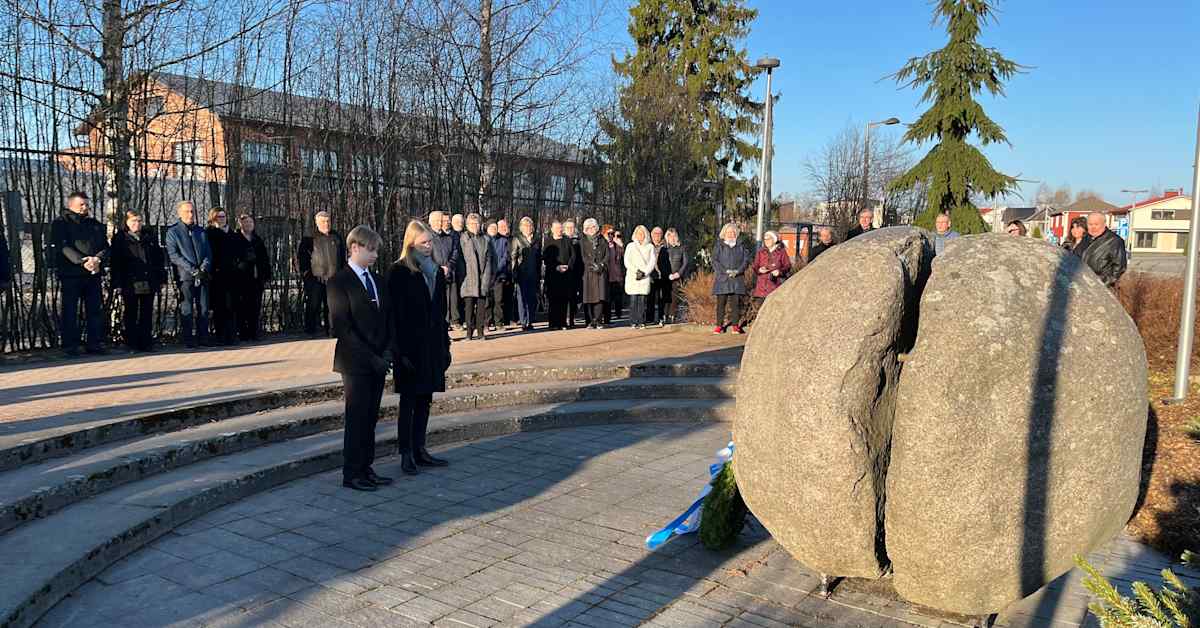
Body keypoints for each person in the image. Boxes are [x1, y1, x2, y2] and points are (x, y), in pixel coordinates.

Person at [327, 225, 392, 492]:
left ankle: (367, 467)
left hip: (378, 360)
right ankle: (351, 472)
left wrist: (387, 351)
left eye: (377, 249)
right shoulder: (338, 281)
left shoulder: (376, 280)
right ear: (355, 248)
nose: (375, 254)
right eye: (371, 249)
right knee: (356, 418)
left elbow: (387, 318)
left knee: (371, 418)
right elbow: (343, 327)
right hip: (355, 362)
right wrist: (370, 357)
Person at [386, 220, 452, 476]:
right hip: (409, 348)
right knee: (408, 401)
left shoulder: (436, 271)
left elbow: (441, 312)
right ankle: (405, 453)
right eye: (424, 242)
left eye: (430, 241)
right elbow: (394, 315)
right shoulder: (399, 271)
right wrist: (398, 351)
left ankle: (420, 448)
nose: (428, 246)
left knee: (425, 399)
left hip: (432, 346)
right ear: (411, 242)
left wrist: (445, 346)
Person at [50, 191, 110, 356]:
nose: (85, 207)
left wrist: (98, 259)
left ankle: (94, 343)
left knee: (94, 310)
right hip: (71, 274)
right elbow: (63, 247)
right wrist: (82, 261)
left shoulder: (94, 224)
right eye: (81, 204)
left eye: (86, 204)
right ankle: (70, 346)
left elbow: (104, 246)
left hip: (93, 273)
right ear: (71, 205)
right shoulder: (60, 223)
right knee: (70, 310)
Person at [110, 211, 166, 352]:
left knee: (147, 312)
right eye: (133, 221)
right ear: (127, 222)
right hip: (130, 281)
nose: (137, 224)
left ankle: (146, 342)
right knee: (131, 312)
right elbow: (116, 262)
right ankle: (132, 343)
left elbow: (159, 259)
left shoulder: (149, 236)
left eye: (139, 221)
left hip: (148, 279)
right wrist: (116, 282)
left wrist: (161, 277)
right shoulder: (120, 238)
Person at [166, 200, 213, 349]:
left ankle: (203, 338)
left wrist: (203, 268)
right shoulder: (173, 232)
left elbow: (208, 252)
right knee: (187, 308)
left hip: (202, 276)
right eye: (187, 211)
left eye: (192, 211)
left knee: (204, 308)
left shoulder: (201, 231)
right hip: (185, 277)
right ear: (180, 213)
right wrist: (192, 269)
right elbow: (174, 255)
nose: (190, 214)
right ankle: (188, 340)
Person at [297, 210, 346, 337]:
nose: (326, 223)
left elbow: (342, 257)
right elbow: (303, 259)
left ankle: (332, 331)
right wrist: (307, 274)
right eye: (323, 221)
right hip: (316, 278)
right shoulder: (309, 238)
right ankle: (310, 331)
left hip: (334, 277)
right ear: (317, 223)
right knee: (313, 305)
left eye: (328, 221)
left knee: (332, 306)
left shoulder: (336, 237)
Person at [231, 214, 273, 342]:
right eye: (246, 222)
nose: (249, 225)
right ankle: (243, 333)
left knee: (255, 306)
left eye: (251, 222)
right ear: (240, 224)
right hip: (241, 278)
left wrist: (266, 274)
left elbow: (264, 259)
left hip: (256, 278)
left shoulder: (257, 239)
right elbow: (232, 258)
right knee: (242, 307)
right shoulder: (235, 239)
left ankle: (254, 332)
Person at [458, 213, 493, 340]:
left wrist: (488, 277)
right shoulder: (464, 238)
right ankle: (469, 332)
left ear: (480, 225)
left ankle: (480, 331)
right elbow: (461, 259)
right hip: (468, 278)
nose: (474, 226)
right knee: (468, 307)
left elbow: (490, 259)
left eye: (476, 223)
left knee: (481, 307)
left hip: (483, 277)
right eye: (472, 224)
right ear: (467, 225)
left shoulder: (486, 240)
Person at [205, 207, 237, 345]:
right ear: (213, 218)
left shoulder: (231, 233)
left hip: (232, 275)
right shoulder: (209, 234)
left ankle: (231, 335)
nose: (222, 219)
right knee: (219, 307)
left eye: (223, 216)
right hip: (217, 276)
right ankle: (220, 335)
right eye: (219, 217)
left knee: (231, 306)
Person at [711, 222, 750, 334]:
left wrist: (738, 271)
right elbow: (715, 260)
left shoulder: (741, 246)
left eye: (733, 232)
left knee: (736, 304)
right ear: (724, 233)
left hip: (737, 279)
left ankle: (735, 326)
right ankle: (719, 326)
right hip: (722, 279)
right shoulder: (719, 245)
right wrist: (725, 271)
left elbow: (746, 260)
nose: (731, 234)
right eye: (728, 232)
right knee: (721, 304)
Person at [1079, 212, 1128, 288]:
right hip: (1082, 284)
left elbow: (1120, 267)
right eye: (1090, 224)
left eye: (1096, 224)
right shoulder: (1085, 239)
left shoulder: (1114, 241)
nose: (1093, 227)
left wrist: (1102, 284)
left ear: (1104, 224)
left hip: (1101, 287)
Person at [428, 211, 460, 325]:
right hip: (432, 276)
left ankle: (445, 327)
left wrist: (448, 266)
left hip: (447, 273)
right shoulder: (427, 237)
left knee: (445, 303)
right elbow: (426, 256)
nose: (441, 223)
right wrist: (437, 267)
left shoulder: (448, 238)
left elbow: (454, 253)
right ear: (431, 222)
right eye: (438, 220)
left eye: (442, 220)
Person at [542, 221, 575, 330]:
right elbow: (546, 258)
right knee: (553, 300)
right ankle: (553, 323)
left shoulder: (567, 240)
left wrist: (568, 266)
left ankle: (562, 323)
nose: (559, 230)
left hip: (566, 276)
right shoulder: (548, 242)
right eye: (557, 228)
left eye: (560, 228)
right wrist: (556, 267)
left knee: (564, 300)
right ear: (552, 229)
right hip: (552, 276)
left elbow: (573, 256)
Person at [511, 217, 541, 331]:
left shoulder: (536, 240)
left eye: (529, 226)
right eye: (525, 226)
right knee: (522, 298)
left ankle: (530, 321)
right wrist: (514, 272)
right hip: (521, 272)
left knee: (532, 298)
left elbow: (539, 258)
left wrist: (539, 272)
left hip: (533, 273)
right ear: (521, 227)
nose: (527, 228)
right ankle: (523, 322)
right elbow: (513, 256)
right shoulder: (517, 239)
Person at [751, 231, 792, 314]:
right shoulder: (760, 252)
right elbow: (755, 266)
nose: (766, 241)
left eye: (768, 239)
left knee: (772, 312)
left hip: (775, 286)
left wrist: (779, 272)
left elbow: (787, 266)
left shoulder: (781, 252)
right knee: (761, 312)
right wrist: (759, 270)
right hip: (761, 287)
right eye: (765, 239)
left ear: (774, 239)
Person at [578, 218, 609, 329]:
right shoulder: (582, 241)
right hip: (588, 272)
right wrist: (592, 265)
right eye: (588, 227)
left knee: (600, 298)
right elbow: (583, 257)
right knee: (589, 297)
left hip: (600, 273)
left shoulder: (603, 240)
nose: (591, 229)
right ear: (585, 229)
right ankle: (590, 321)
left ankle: (598, 320)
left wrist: (601, 265)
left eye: (593, 227)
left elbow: (607, 256)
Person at [624, 225, 656, 329]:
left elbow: (652, 262)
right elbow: (626, 261)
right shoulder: (630, 246)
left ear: (645, 234)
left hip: (644, 276)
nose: (640, 235)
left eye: (642, 233)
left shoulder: (650, 247)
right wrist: (636, 271)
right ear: (635, 234)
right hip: (633, 276)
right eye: (638, 233)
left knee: (642, 300)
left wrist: (644, 272)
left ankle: (641, 321)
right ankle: (633, 321)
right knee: (633, 300)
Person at [489, 219, 513, 331]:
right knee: (489, 300)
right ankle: (488, 322)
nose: (493, 229)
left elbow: (505, 256)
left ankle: (499, 322)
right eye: (492, 227)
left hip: (500, 274)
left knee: (499, 300)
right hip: (488, 275)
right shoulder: (485, 239)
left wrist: (498, 269)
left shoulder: (504, 240)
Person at [662, 228, 690, 325]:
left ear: (677, 237)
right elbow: (661, 263)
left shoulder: (682, 248)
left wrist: (679, 273)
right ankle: (664, 316)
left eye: (674, 236)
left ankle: (672, 315)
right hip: (667, 276)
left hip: (678, 276)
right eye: (670, 236)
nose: (672, 238)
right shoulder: (664, 249)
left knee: (674, 297)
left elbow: (686, 262)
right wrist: (667, 274)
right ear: (667, 237)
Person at [563, 220, 583, 327]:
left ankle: (572, 317)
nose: (570, 230)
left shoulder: (578, 241)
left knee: (576, 298)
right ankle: (567, 318)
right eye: (568, 228)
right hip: (565, 272)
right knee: (567, 297)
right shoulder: (563, 240)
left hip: (577, 272)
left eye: (572, 227)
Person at [648, 227, 670, 325]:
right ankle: (650, 318)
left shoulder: (666, 246)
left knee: (662, 298)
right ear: (651, 235)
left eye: (659, 234)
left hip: (662, 276)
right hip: (650, 275)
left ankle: (661, 317)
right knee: (650, 298)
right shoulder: (648, 245)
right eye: (655, 233)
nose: (657, 236)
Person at [603, 226, 624, 324]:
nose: (611, 236)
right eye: (609, 234)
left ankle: (618, 314)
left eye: (612, 234)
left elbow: (623, 259)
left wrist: (620, 245)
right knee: (607, 299)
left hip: (617, 276)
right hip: (606, 276)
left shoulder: (617, 246)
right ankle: (607, 318)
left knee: (618, 298)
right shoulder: (603, 245)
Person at [450, 213, 466, 328]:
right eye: (457, 222)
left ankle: (464, 318)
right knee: (454, 296)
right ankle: (455, 320)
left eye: (461, 222)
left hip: (465, 269)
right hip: (454, 269)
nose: (459, 224)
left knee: (463, 295)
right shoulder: (450, 235)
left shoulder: (465, 234)